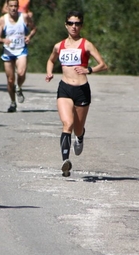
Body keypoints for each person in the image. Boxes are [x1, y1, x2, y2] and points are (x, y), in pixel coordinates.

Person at [45, 10, 107, 177]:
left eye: (77, 23)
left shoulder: (86, 44)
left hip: (81, 90)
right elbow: (51, 60)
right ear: (66, 25)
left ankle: (80, 137)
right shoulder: (59, 46)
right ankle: (65, 162)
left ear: (81, 25)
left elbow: (103, 64)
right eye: (71, 23)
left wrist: (89, 69)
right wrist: (49, 72)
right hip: (64, 88)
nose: (74, 26)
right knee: (67, 124)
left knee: (78, 129)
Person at [0, 0, 36, 112]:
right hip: (8, 52)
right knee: (10, 80)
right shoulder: (3, 19)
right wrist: (3, 40)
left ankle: (19, 87)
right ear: (7, 7)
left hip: (21, 49)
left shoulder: (24, 17)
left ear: (18, 7)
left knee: (21, 73)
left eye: (15, 6)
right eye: (11, 6)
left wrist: (29, 37)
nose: (13, 8)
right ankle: (13, 103)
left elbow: (34, 28)